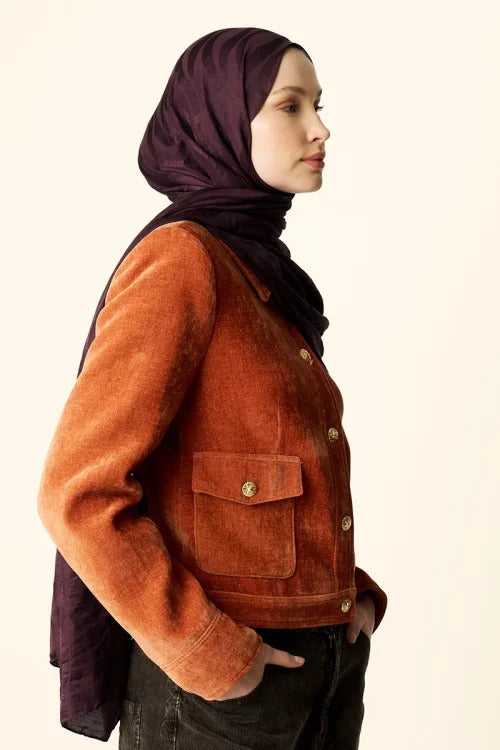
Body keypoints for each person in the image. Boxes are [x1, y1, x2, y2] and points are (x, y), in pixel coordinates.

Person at [37, 27, 388, 749]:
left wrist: (344, 594)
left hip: (321, 668)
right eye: (289, 106)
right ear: (221, 119)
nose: (320, 129)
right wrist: (206, 651)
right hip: (223, 697)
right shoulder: (183, 262)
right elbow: (78, 491)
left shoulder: (257, 266)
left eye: (318, 105)